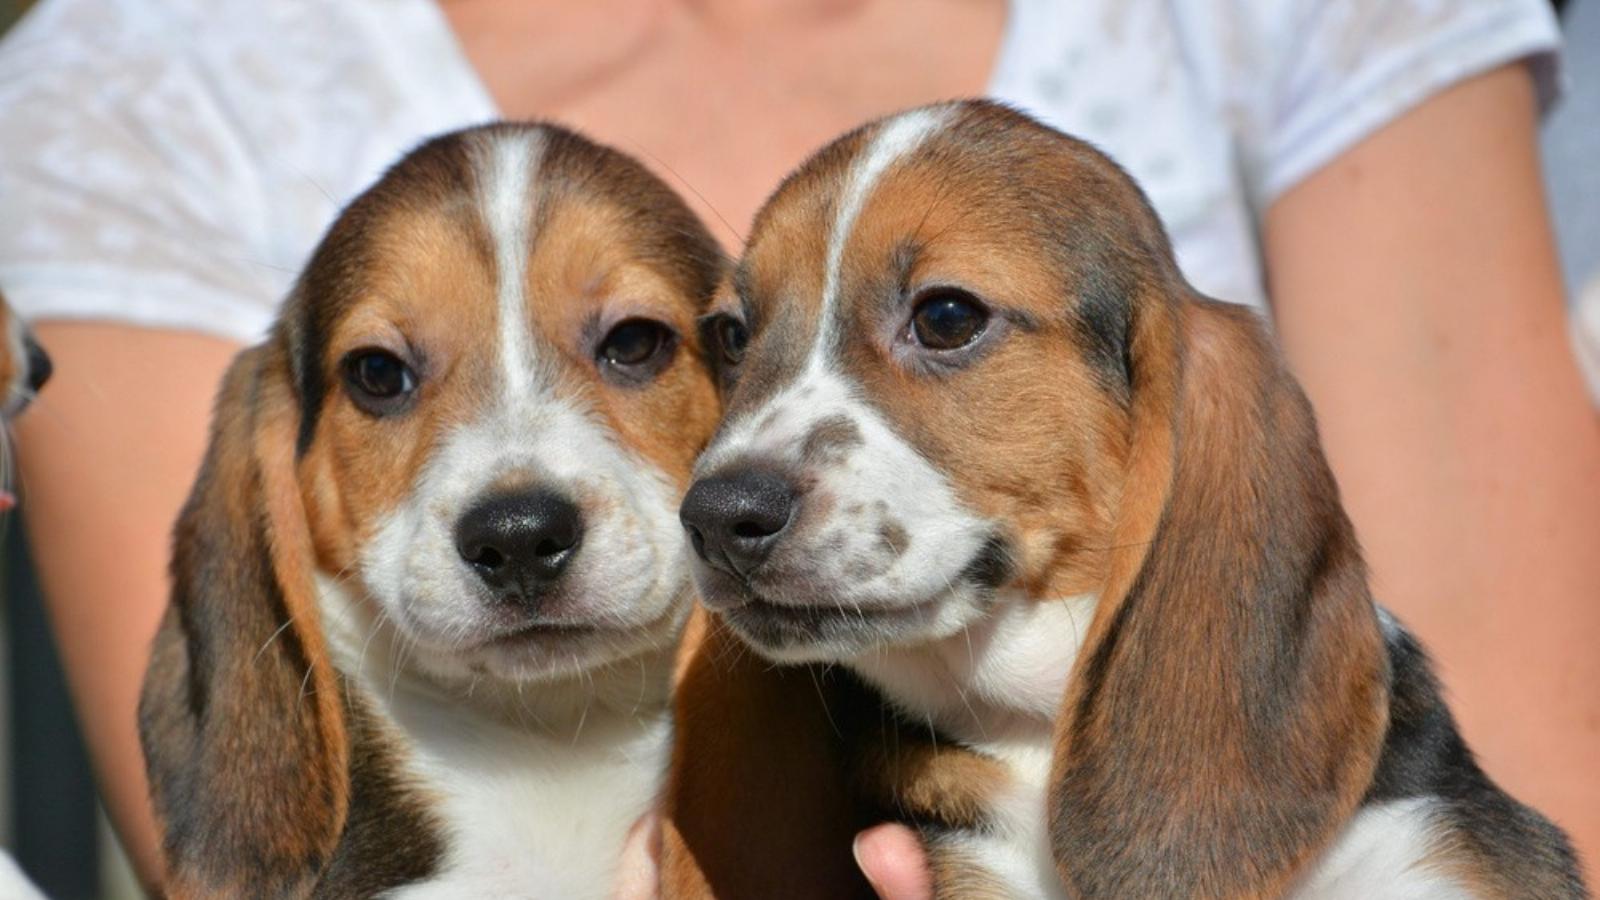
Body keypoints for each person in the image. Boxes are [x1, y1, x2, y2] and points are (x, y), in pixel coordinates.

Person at [1, 0, 1596, 894]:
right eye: (742, 343)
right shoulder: (135, 83)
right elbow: (247, 848)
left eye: (641, 346)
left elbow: (1530, 753)